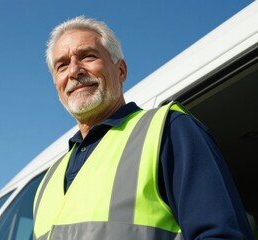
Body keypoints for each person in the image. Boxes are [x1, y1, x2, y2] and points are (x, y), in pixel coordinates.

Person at [33, 16, 254, 240]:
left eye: (88, 56)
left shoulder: (168, 129)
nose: (74, 71)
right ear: (57, 85)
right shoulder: (48, 182)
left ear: (121, 71)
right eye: (62, 65)